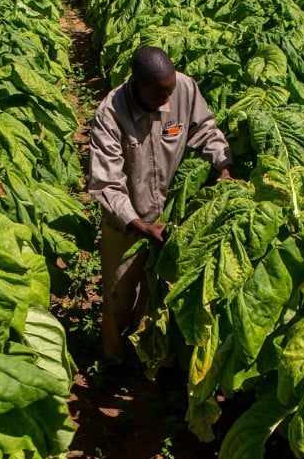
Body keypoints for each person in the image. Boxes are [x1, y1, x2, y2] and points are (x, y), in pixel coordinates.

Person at [87, 46, 233, 364]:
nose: (167, 99)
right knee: (119, 299)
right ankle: (113, 362)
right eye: (159, 94)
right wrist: (140, 225)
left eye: (170, 90)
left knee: (160, 296)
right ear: (136, 84)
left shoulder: (183, 88)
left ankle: (150, 362)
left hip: (167, 218)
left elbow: (205, 130)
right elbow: (106, 184)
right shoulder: (110, 113)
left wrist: (223, 165)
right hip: (125, 223)